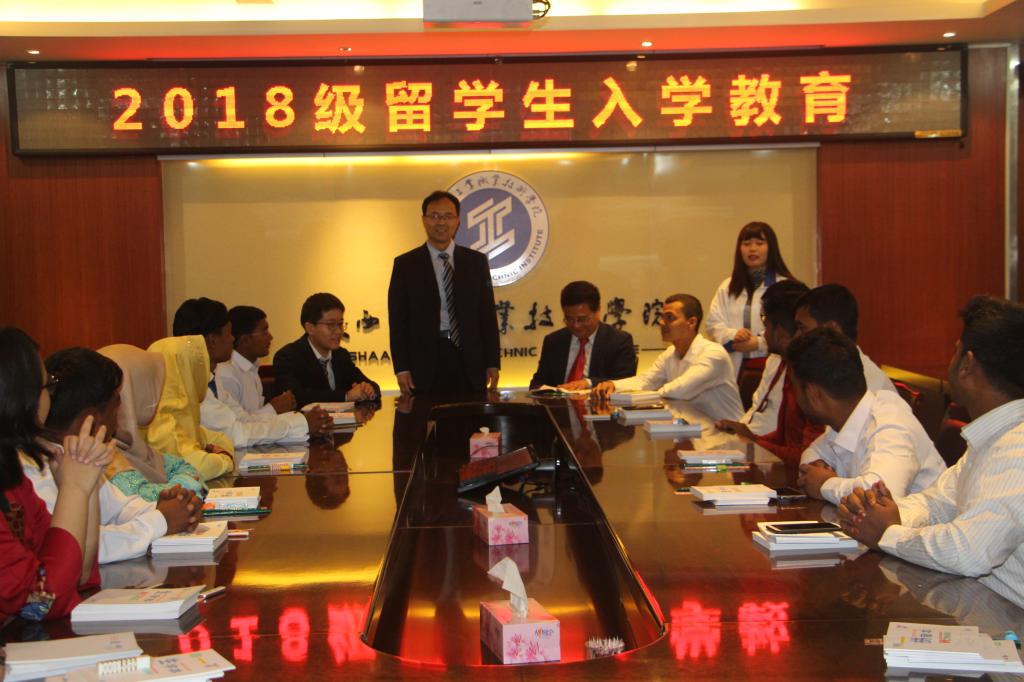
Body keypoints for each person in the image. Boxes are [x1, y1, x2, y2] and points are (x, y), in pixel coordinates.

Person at [839, 296, 1024, 609]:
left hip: (1010, 623)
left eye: (954, 351)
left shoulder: (1017, 447)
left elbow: (968, 553)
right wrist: (878, 512)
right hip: (982, 607)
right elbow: (937, 503)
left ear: (967, 364)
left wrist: (888, 532)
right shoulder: (993, 436)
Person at [36, 347, 201, 564]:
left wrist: (171, 508)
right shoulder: (36, 470)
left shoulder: (78, 455)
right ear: (92, 420)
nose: (118, 420)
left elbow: (118, 509)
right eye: (116, 408)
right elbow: (79, 546)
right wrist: (161, 520)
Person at [0, 327, 111, 621]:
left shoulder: (12, 481)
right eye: (47, 386)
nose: (50, 396)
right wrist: (74, 489)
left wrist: (84, 486)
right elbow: (43, 601)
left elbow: (77, 575)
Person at [787, 327, 945, 504]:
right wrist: (816, 468)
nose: (796, 398)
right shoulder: (845, 418)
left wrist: (825, 484)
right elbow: (813, 452)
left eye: (795, 388)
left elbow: (878, 498)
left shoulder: (891, 424)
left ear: (814, 394)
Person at [387, 190, 501, 394]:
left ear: (458, 221)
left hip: (470, 360)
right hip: (423, 362)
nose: (441, 222)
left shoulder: (476, 262)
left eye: (448, 216)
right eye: (434, 216)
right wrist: (402, 368)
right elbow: (398, 322)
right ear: (424, 220)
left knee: (471, 412)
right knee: (425, 414)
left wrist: (492, 362)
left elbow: (487, 316)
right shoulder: (405, 265)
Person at [179, 302, 332, 446]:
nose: (233, 339)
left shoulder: (212, 378)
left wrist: (301, 420)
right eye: (228, 333)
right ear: (212, 341)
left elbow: (243, 419)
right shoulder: (192, 385)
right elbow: (236, 435)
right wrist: (301, 424)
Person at [715, 280, 823, 465]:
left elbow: (807, 457)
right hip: (773, 459)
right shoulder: (786, 364)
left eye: (765, 323)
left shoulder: (812, 373)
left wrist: (755, 442)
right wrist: (747, 434)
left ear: (780, 332)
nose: (763, 334)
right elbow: (781, 435)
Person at [592, 294, 743, 422]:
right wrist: (613, 385)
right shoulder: (670, 353)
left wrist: (635, 398)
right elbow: (645, 381)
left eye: (670, 317)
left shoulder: (714, 354)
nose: (662, 323)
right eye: (661, 317)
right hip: (692, 430)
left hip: (726, 435)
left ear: (691, 322)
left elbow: (679, 390)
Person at [98, 344, 208, 500]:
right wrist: (186, 484)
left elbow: (187, 469)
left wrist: (185, 484)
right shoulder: (101, 454)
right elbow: (143, 497)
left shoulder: (135, 445)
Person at [705, 221, 794, 377]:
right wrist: (734, 335)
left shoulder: (785, 286)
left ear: (771, 248)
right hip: (734, 367)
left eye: (759, 243)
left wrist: (759, 343)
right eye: (746, 244)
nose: (752, 249)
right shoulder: (727, 286)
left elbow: (790, 329)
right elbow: (713, 323)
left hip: (774, 365)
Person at [146, 333, 236, 481]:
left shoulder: (182, 413)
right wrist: (225, 458)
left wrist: (216, 454)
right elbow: (198, 468)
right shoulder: (156, 422)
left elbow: (220, 439)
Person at [273, 293, 380, 408]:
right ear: (310, 328)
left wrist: (367, 389)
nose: (339, 331)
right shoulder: (288, 357)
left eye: (340, 324)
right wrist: (346, 396)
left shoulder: (341, 355)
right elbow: (296, 398)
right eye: (331, 325)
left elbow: (373, 386)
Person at [529, 281, 636, 390]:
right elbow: (537, 383)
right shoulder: (553, 341)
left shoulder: (619, 341)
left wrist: (589, 383)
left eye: (583, 319)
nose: (576, 325)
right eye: (569, 319)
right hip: (560, 401)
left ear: (598, 311)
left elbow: (625, 382)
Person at [793, 284, 896, 393]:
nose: (795, 337)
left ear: (831, 329)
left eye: (802, 328)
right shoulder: (827, 370)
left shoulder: (867, 385)